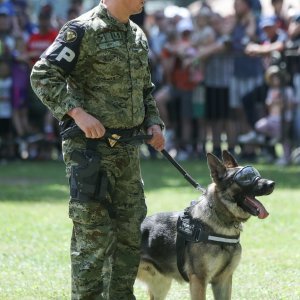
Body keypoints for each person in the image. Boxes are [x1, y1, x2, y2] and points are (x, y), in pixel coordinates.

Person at [30, 0, 165, 299]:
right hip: (89, 151)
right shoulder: (81, 30)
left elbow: (145, 89)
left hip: (128, 151)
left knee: (130, 235)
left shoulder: (137, 34)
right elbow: (43, 75)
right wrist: (76, 112)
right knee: (92, 236)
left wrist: (154, 123)